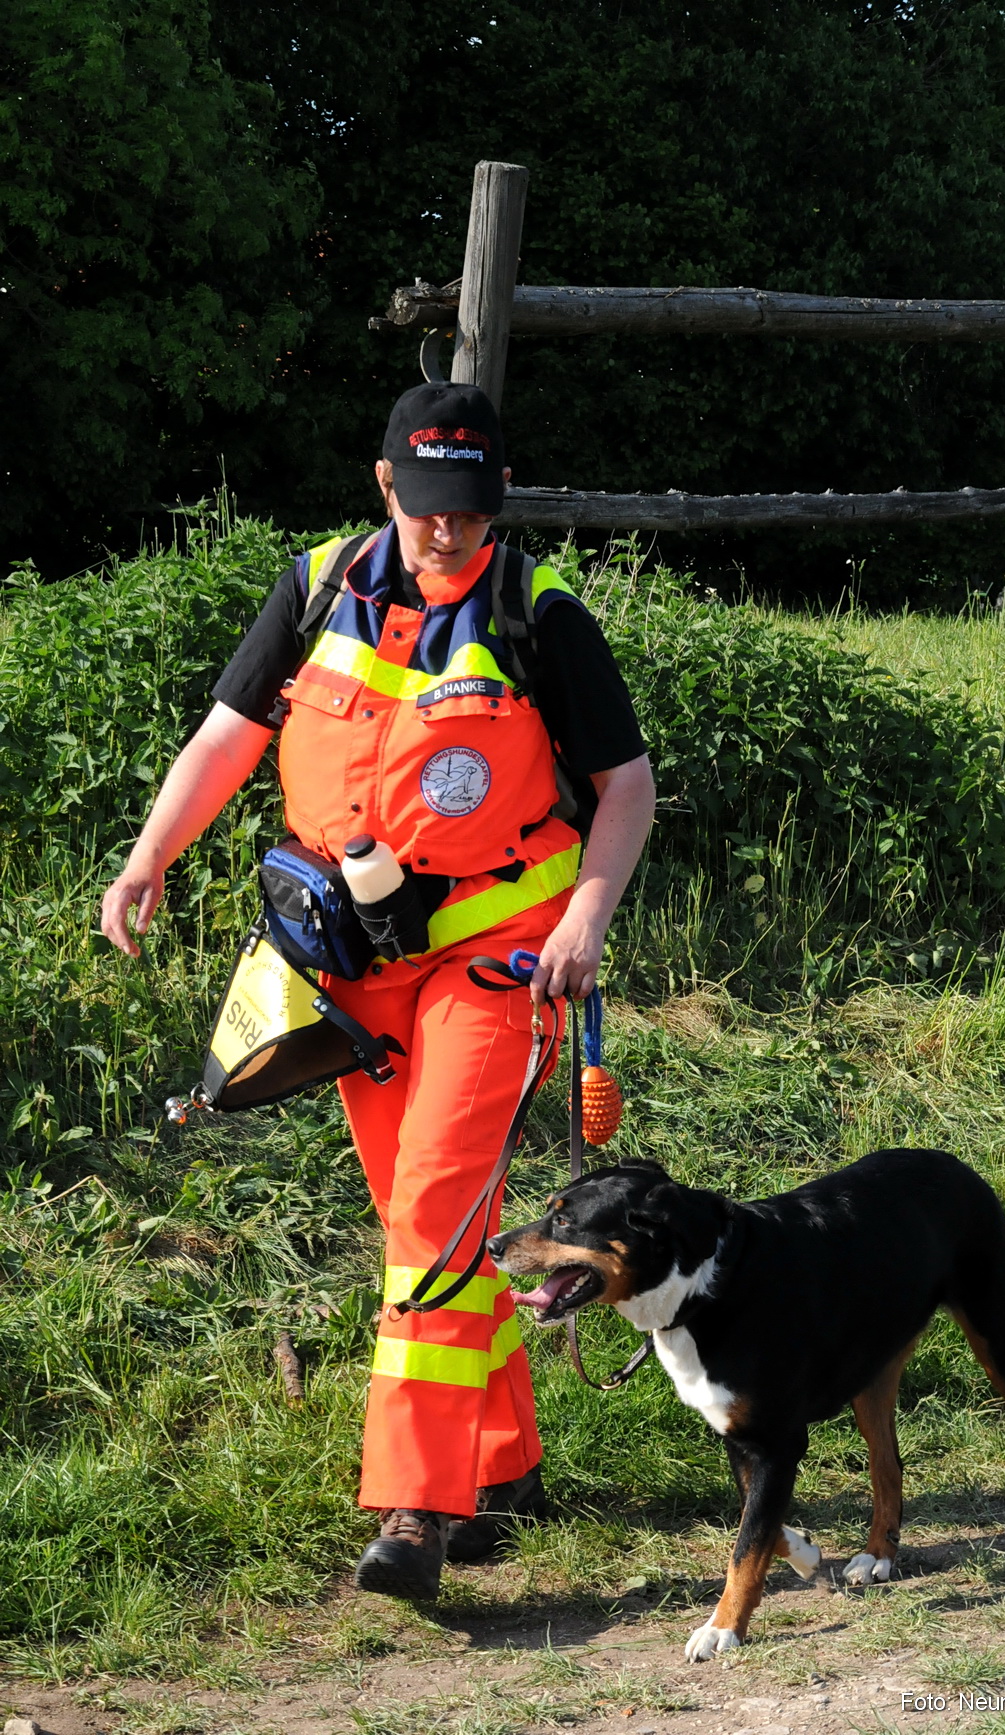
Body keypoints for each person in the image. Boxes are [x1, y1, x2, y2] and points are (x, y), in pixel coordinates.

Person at [101, 381, 655, 1601]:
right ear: (384, 482)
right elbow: (227, 737)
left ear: (497, 498)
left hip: (501, 954)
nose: (447, 533)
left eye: (470, 510)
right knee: (434, 1217)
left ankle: (415, 1506)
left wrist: (585, 920)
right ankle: (503, 1459)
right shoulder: (315, 585)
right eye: (426, 506)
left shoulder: (538, 612)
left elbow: (626, 785)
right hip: (354, 964)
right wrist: (149, 857)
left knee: (432, 1215)